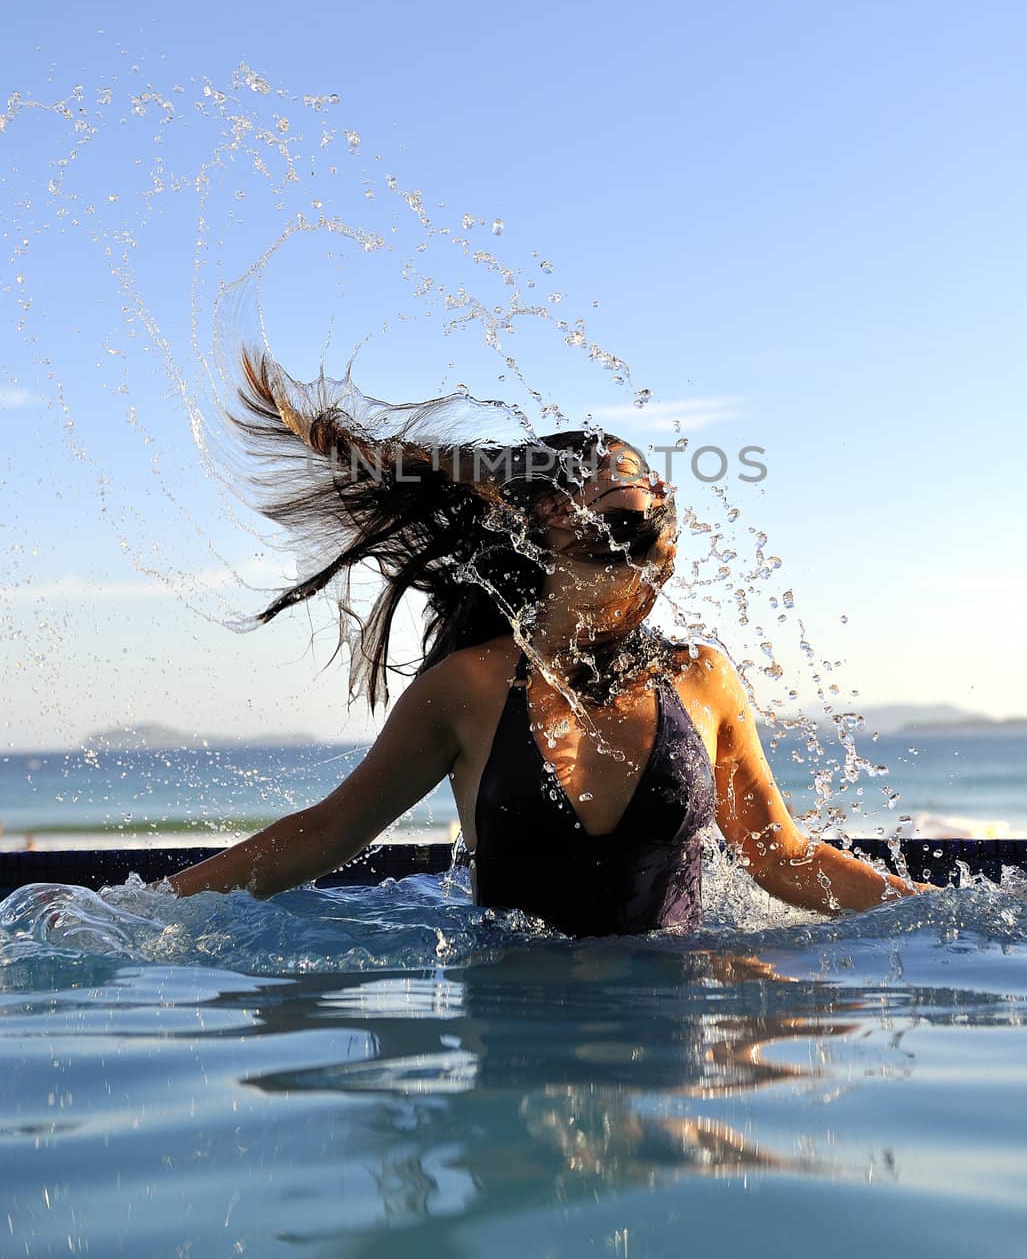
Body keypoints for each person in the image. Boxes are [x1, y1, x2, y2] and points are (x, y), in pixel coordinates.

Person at [163, 347, 935, 931]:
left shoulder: (700, 677)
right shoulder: (465, 689)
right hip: (515, 1032)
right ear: (550, 515)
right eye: (623, 471)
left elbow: (782, 857)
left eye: (657, 483)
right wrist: (138, 911)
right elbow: (329, 832)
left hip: (676, 1036)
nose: (656, 488)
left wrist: (939, 917)